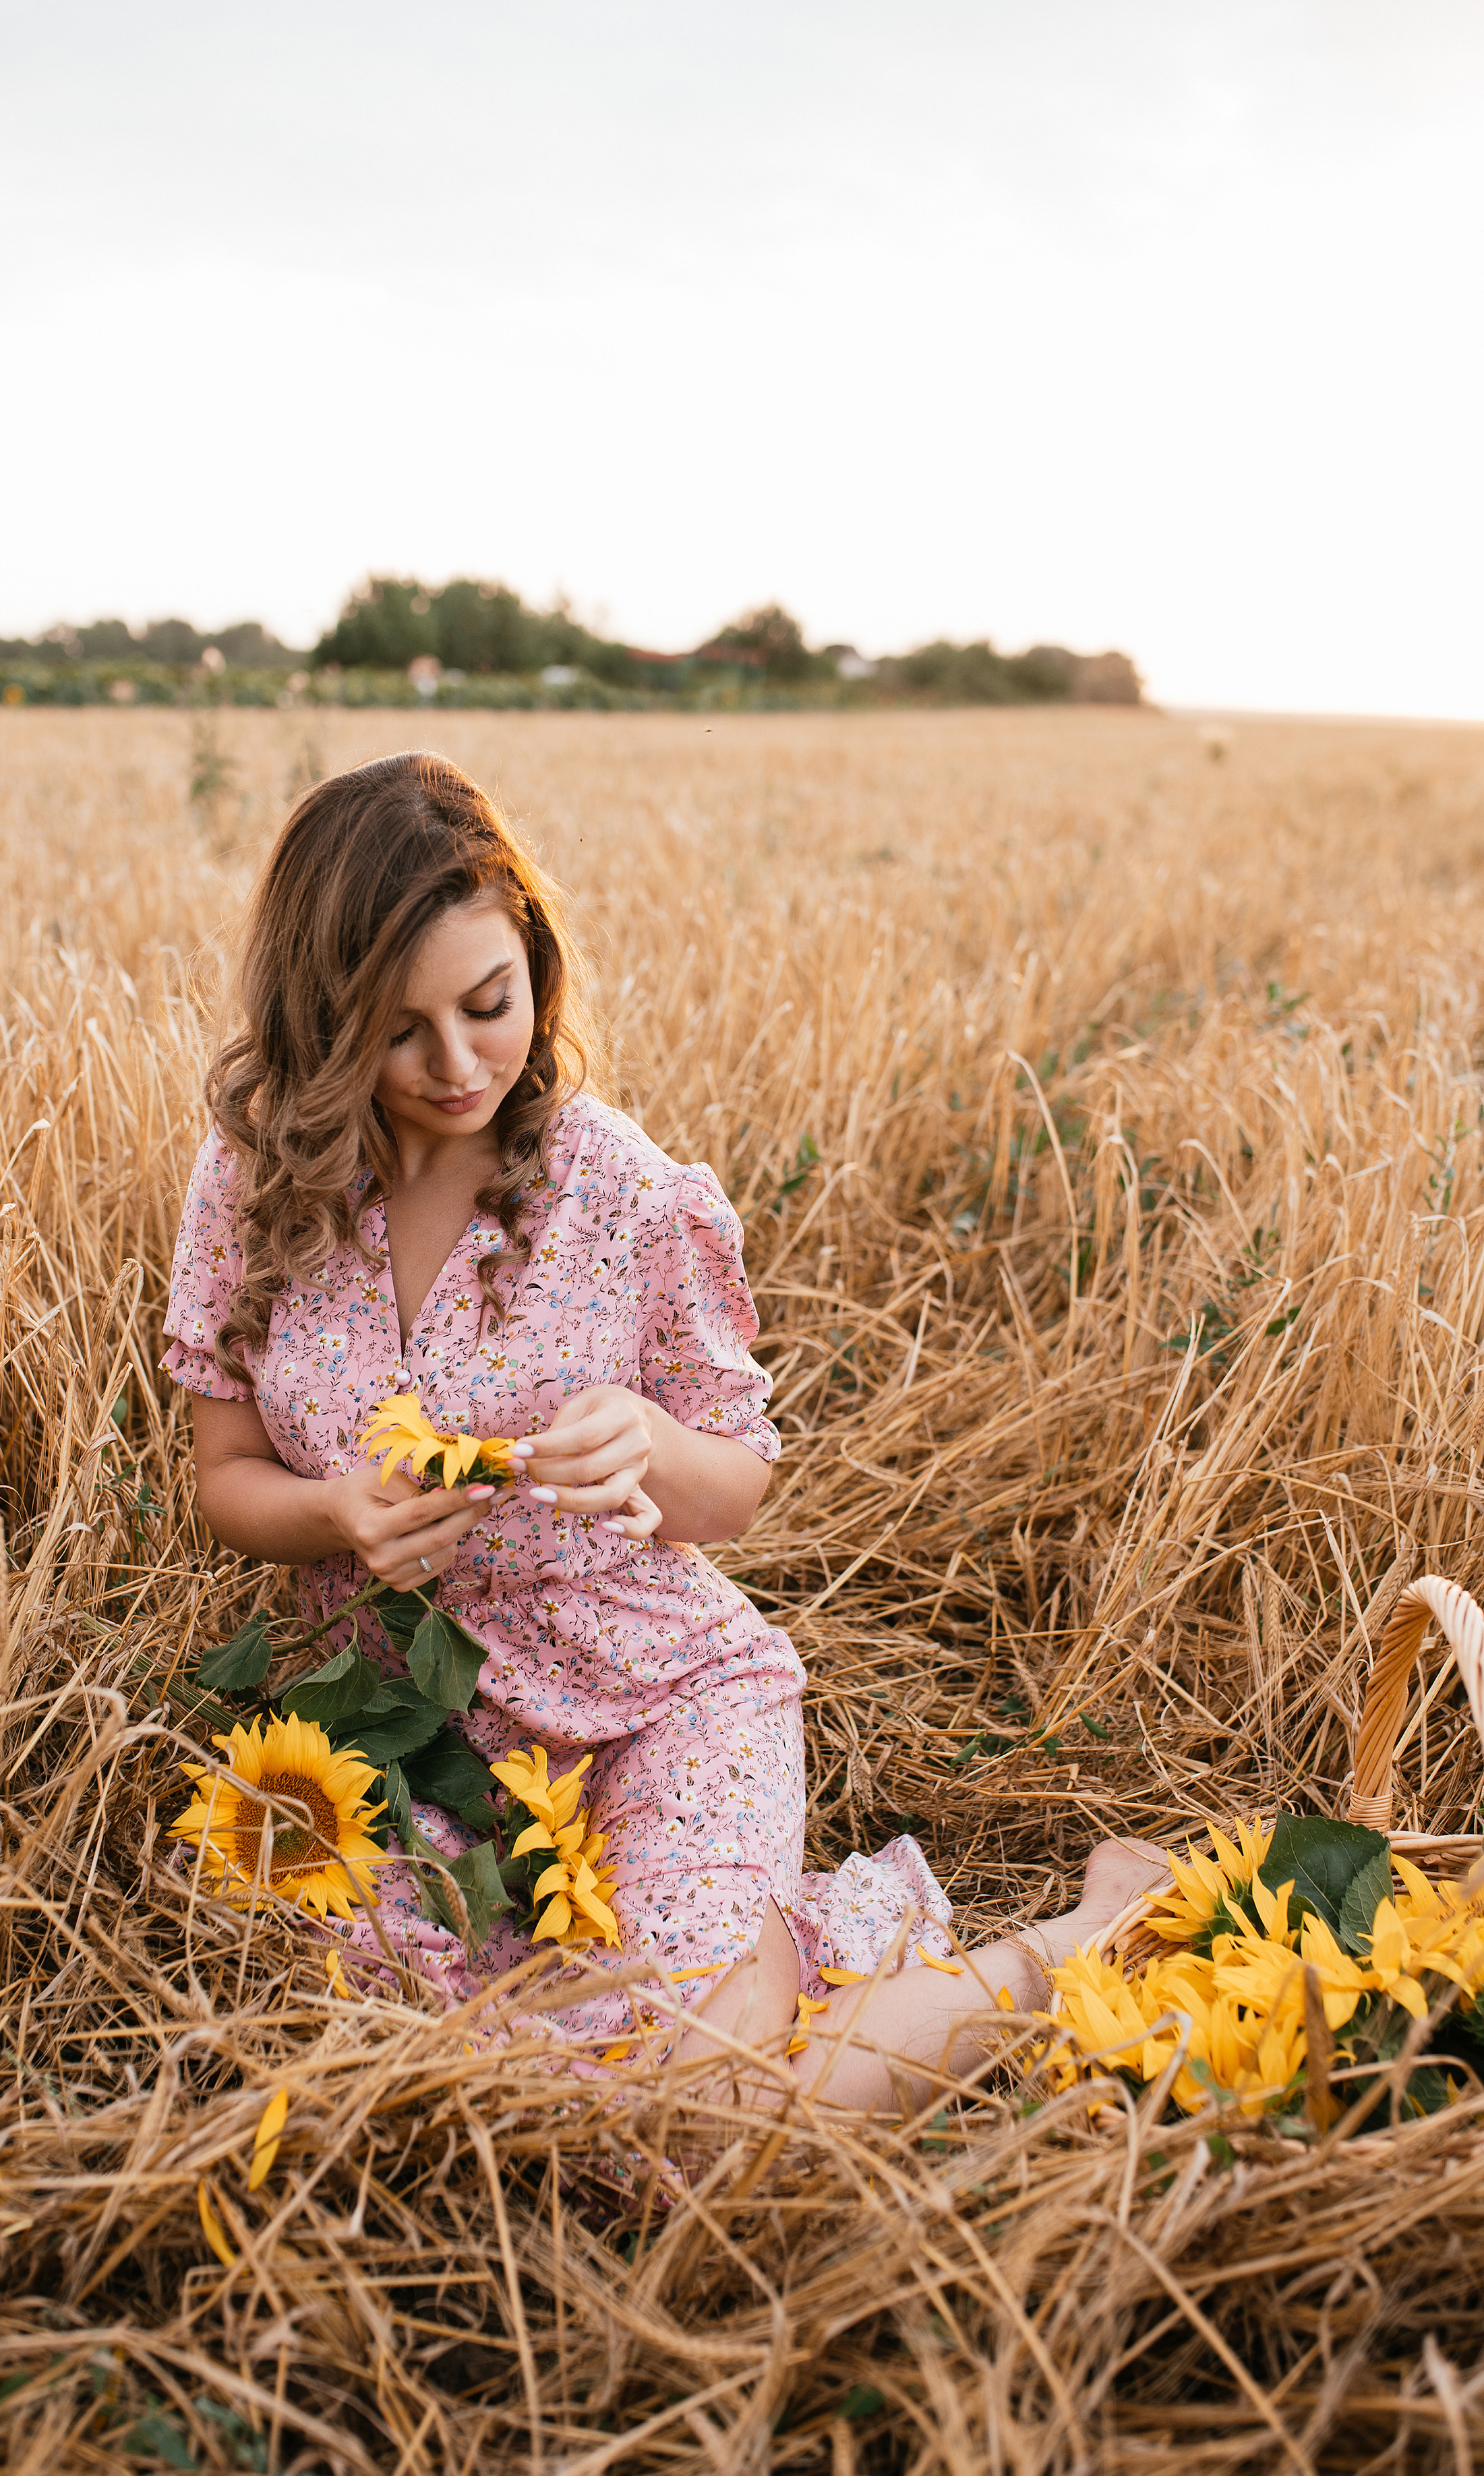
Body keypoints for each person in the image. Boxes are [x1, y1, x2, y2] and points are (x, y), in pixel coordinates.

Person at [162, 752, 1166, 2110]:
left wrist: (641, 1439)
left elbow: (732, 1488)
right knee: (509, 2104)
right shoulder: (257, 1185)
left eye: (486, 1004)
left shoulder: (625, 1195)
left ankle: (1068, 1947)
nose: (456, 1064)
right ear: (322, 1020)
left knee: (687, 2106)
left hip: (654, 1700)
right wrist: (336, 1512)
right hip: (406, 1730)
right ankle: (880, 1969)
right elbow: (224, 1478)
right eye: (398, 1031)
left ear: (534, 959)